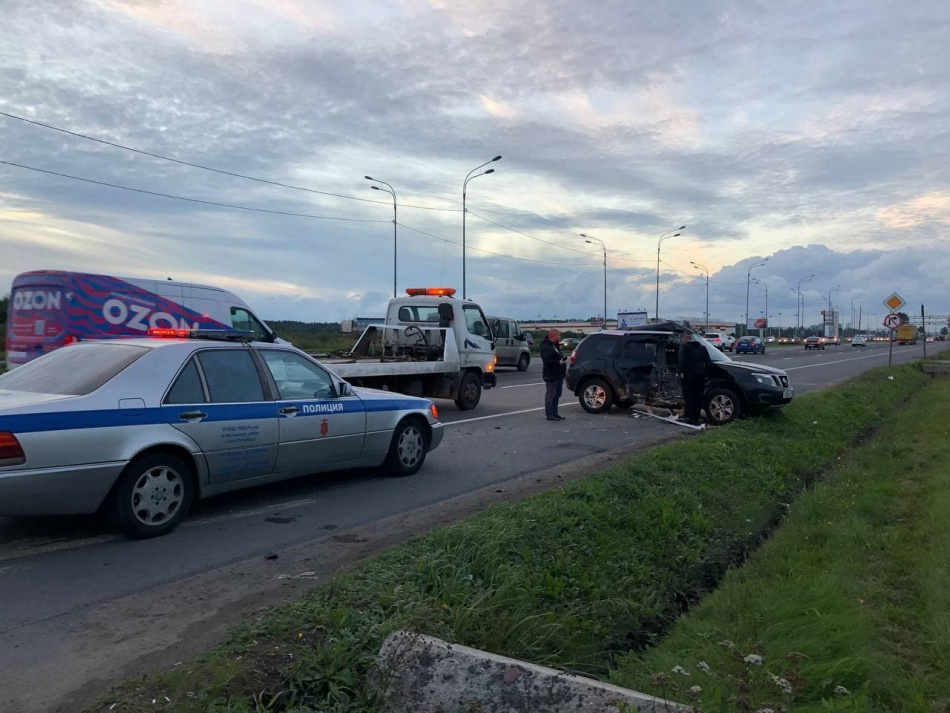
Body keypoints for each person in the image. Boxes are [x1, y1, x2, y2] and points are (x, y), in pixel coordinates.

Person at [678, 332, 710, 425]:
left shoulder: (684, 347)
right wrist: (705, 373)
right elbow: (708, 362)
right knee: (698, 396)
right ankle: (696, 415)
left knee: (689, 396)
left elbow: (682, 360)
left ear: (686, 338)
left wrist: (680, 372)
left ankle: (691, 418)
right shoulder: (702, 348)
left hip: (689, 374)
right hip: (700, 374)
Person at [540, 328, 567, 421]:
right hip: (551, 374)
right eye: (559, 335)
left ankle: (555, 413)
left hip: (558, 374)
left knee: (557, 394)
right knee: (551, 394)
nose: (560, 337)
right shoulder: (546, 347)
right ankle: (549, 414)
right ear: (554, 336)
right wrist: (558, 363)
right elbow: (547, 361)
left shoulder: (555, 345)